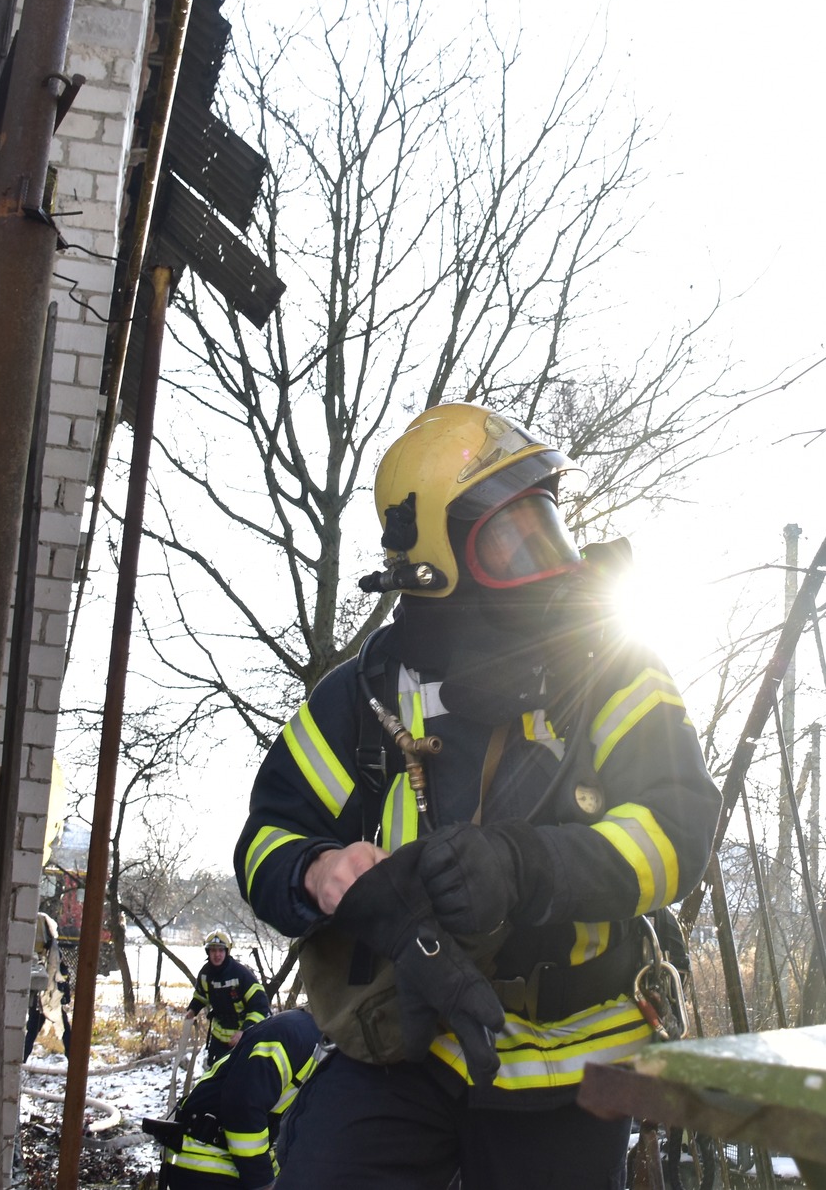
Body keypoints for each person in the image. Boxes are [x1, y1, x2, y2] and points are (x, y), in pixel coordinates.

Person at [233, 403, 719, 1189]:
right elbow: (265, 838)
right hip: (400, 1040)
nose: (549, 559)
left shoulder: (616, 668)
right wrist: (323, 872)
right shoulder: (364, 695)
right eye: (512, 537)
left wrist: (526, 868)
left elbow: (679, 827)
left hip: (569, 1067)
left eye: (547, 524)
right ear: (435, 565)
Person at [152, 1006, 323, 1188]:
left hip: (227, 1161)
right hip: (210, 1162)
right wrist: (263, 1181)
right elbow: (243, 1108)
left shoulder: (312, 1036)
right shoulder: (296, 1035)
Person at [190, 929, 270, 1066]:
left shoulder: (241, 974)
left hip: (244, 1038)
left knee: (239, 1078)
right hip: (219, 1037)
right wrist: (192, 1010)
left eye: (221, 950)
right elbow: (200, 996)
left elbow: (260, 1007)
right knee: (214, 1073)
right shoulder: (205, 974)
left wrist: (243, 1032)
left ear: (227, 951)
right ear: (208, 952)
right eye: (213, 950)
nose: (217, 955)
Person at [23, 911, 71, 1060]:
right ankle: (73, 1058)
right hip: (47, 995)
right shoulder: (52, 949)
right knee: (61, 1028)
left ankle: (22, 1057)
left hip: (47, 995)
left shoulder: (46, 950)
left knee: (34, 1029)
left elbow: (60, 972)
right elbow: (62, 971)